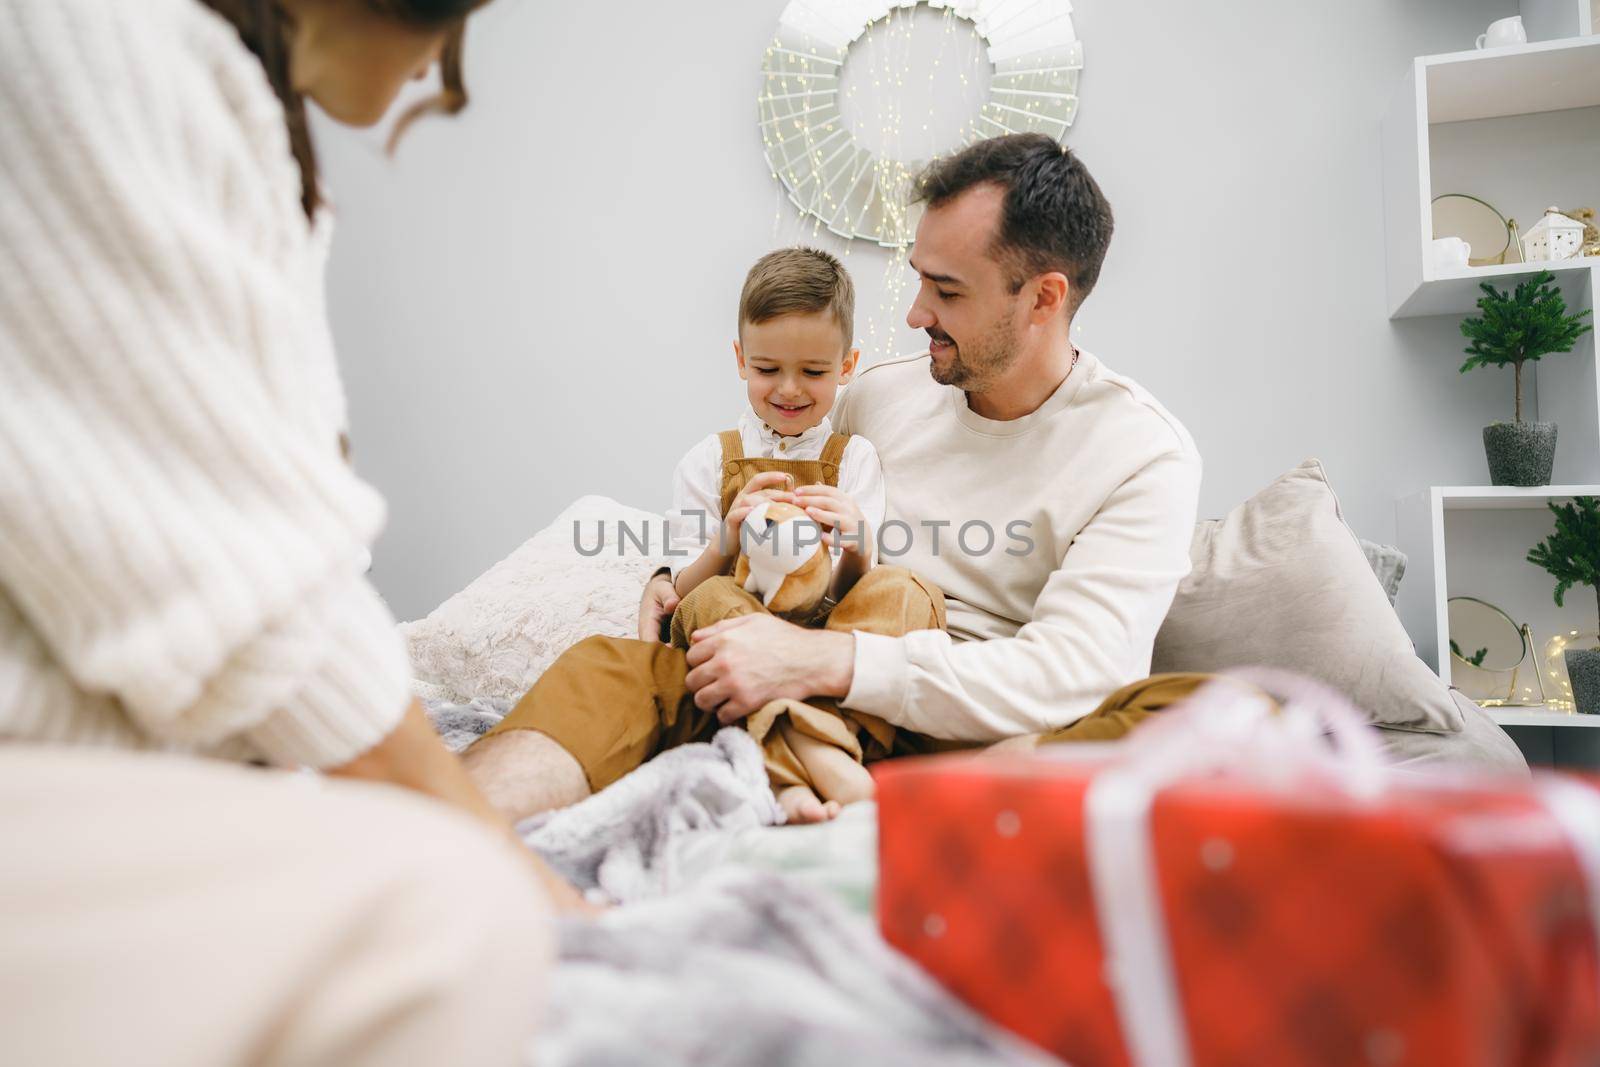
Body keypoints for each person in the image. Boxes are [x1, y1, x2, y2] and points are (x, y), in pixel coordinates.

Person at [0, 1, 571, 1063]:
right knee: (453, 907)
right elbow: (260, 608)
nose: (451, 80)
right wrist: (517, 872)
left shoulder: (219, 106)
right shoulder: (96, 42)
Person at [464, 133, 1203, 822]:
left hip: (959, 722)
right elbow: (761, 483)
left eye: (947, 291)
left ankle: (875, 792)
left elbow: (1078, 670)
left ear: (1043, 297)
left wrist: (829, 662)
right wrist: (672, 572)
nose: (916, 314)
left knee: (1205, 707)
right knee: (613, 668)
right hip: (787, 670)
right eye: (920, 280)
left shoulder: (1141, 453)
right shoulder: (883, 396)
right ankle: (434, 833)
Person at [476, 247, 947, 824]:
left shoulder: (855, 459)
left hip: (819, 643)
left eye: (815, 372)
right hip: (736, 641)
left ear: (846, 367)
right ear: (740, 359)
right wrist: (727, 539)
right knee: (710, 598)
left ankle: (792, 759)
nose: (790, 389)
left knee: (904, 589)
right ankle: (817, 758)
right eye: (768, 369)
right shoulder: (708, 460)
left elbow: (855, 591)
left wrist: (856, 547)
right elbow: (681, 591)